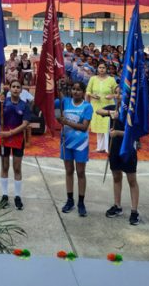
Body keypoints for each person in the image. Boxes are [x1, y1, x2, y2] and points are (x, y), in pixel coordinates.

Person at [0, 80, 31, 210]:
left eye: (18, 87)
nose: (15, 89)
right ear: (9, 89)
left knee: (17, 168)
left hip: (16, 138)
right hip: (3, 139)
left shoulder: (24, 105)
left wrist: (10, 133)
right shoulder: (3, 101)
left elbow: (25, 124)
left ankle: (17, 196)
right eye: (13, 87)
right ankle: (4, 196)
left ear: (21, 90)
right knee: (4, 166)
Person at [96, 87, 140, 225]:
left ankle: (134, 211)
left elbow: (135, 133)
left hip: (127, 149)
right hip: (114, 148)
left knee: (131, 179)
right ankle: (117, 205)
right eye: (117, 92)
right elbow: (98, 111)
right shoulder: (114, 108)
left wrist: (118, 133)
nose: (119, 95)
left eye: (121, 93)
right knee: (116, 177)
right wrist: (110, 112)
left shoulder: (132, 111)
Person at [57, 82, 93, 217]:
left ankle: (81, 202)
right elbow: (54, 107)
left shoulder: (87, 107)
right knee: (69, 171)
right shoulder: (65, 102)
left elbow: (84, 127)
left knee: (80, 172)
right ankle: (70, 200)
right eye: (73, 89)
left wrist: (67, 122)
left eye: (79, 90)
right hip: (66, 142)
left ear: (83, 92)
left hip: (80, 145)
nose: (76, 92)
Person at [86, 61, 117, 153]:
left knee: (107, 126)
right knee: (98, 127)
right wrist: (92, 95)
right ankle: (100, 147)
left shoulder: (111, 79)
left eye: (103, 67)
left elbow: (117, 92)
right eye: (100, 67)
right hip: (95, 105)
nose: (101, 69)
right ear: (97, 69)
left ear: (106, 69)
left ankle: (108, 148)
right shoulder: (93, 79)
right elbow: (87, 91)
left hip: (108, 106)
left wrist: (112, 96)